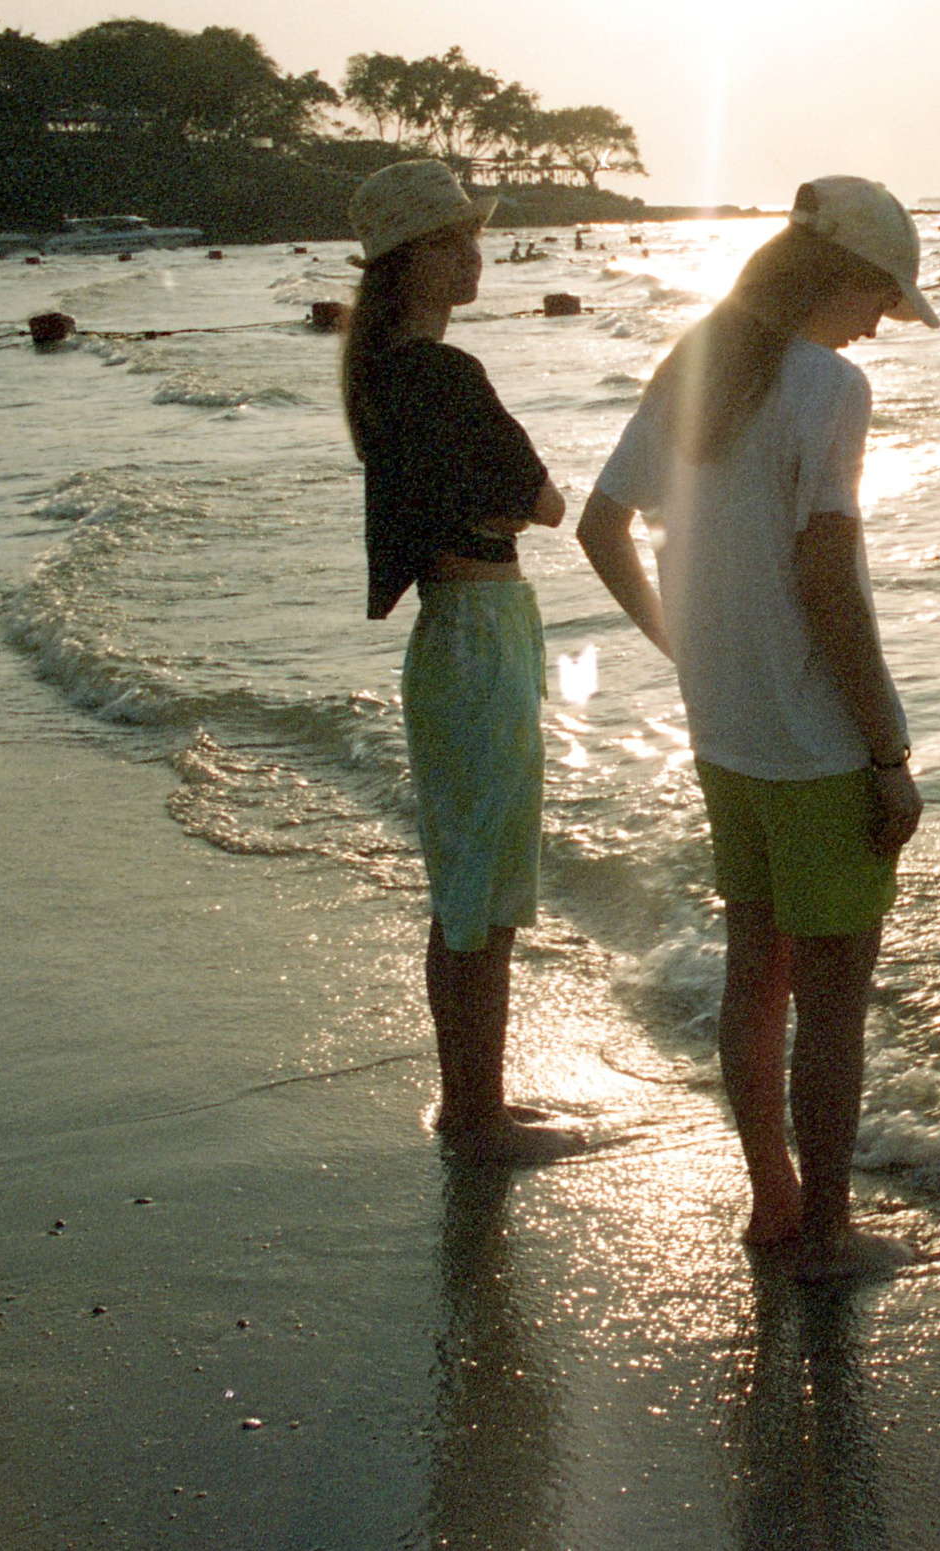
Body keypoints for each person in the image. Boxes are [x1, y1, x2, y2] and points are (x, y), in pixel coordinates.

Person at [578, 176, 940, 1281]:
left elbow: (601, 526)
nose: (883, 321)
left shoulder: (699, 355)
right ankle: (827, 1236)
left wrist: (684, 643)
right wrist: (888, 751)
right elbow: (827, 577)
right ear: (841, 276)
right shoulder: (830, 385)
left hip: (723, 732)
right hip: (815, 743)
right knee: (832, 1006)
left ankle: (774, 1203)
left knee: (755, 977)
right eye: (882, 295)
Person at [340, 159, 585, 1165]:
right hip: (483, 629)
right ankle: (479, 1117)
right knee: (482, 893)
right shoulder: (440, 374)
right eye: (454, 239)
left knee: (468, 887)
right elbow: (546, 502)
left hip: (455, 628)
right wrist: (501, 497)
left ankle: (474, 1101)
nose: (474, 252)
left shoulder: (384, 372)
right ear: (414, 259)